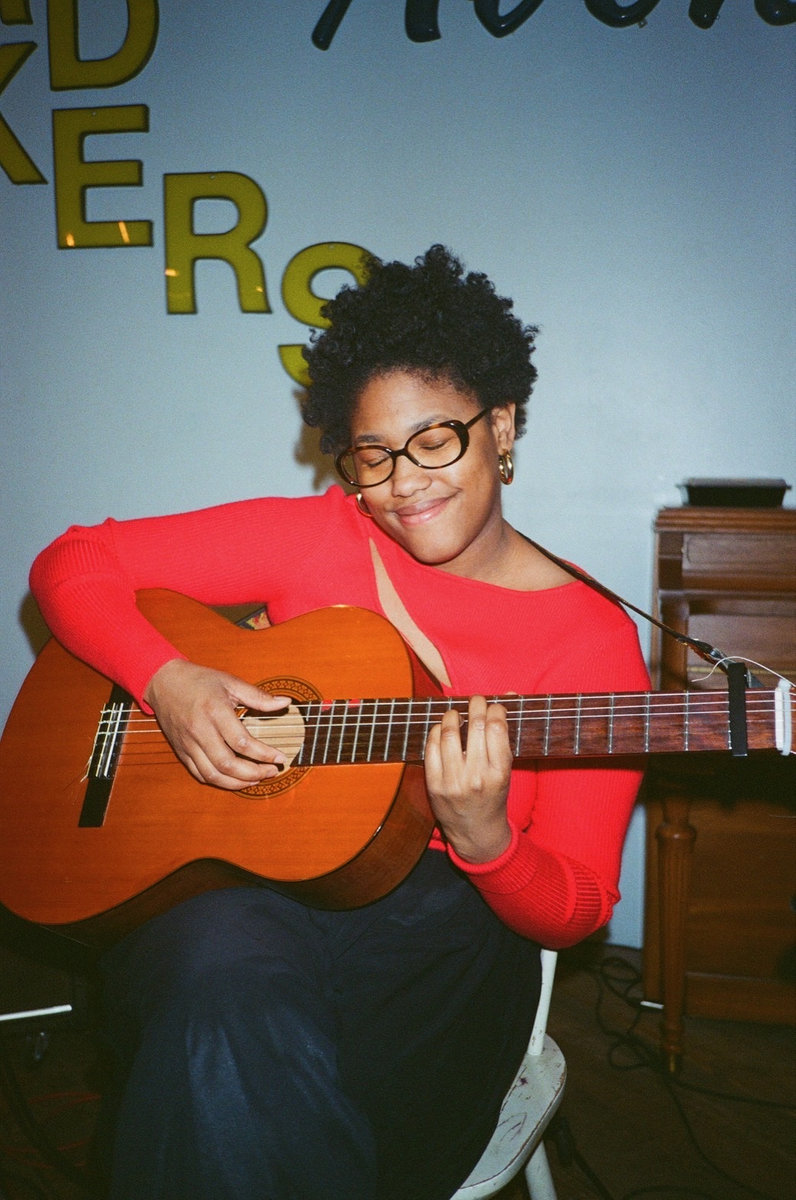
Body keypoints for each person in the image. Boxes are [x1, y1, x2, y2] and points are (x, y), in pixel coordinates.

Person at [29, 245, 650, 1200]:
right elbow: (72, 563)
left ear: (501, 425)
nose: (404, 483)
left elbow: (578, 908)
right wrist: (169, 683)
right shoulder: (320, 536)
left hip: (444, 949)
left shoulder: (592, 639)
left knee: (244, 1036)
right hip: (252, 898)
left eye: (434, 440)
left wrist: (487, 841)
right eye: (373, 455)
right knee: (218, 971)